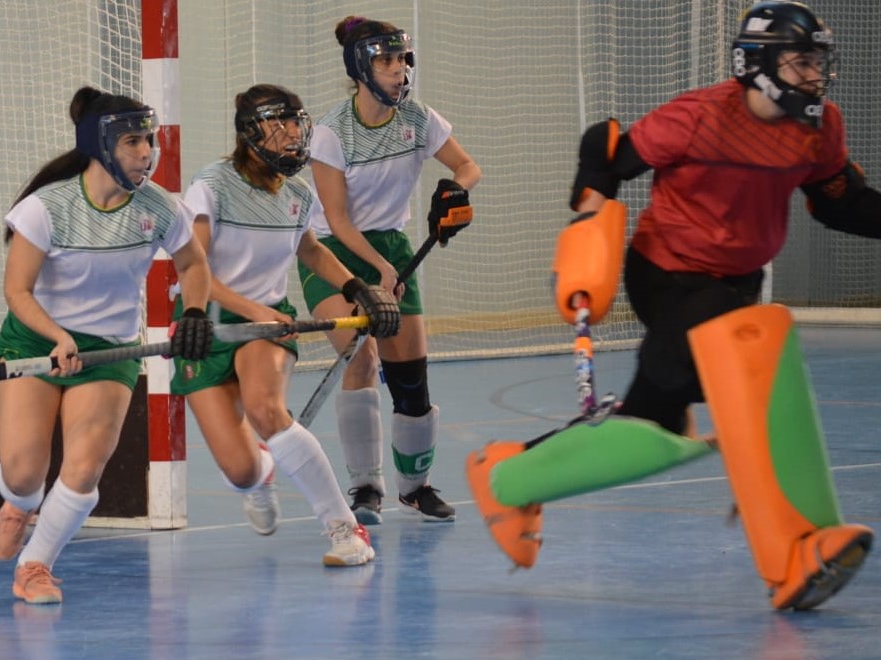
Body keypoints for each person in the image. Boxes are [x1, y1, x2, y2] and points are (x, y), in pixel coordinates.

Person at [467, 1, 877, 611]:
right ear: (759, 63)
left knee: (651, 426)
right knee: (758, 384)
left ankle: (509, 475)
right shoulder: (699, 116)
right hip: (667, 278)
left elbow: (841, 202)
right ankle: (796, 549)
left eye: (819, 62)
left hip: (736, 283)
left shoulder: (819, 128)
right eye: (802, 62)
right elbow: (608, 151)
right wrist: (589, 216)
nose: (816, 75)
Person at [0, 86, 214, 604]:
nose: (147, 152)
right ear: (101, 144)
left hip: (109, 350)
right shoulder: (46, 208)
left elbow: (193, 263)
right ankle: (17, 503)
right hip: (35, 339)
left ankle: (35, 565)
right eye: (134, 141)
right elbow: (17, 291)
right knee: (24, 473)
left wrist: (195, 311)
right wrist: (57, 336)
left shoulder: (159, 207)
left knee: (86, 466)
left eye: (149, 140)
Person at [170, 84, 401, 566]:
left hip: (268, 324)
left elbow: (311, 249)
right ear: (252, 132)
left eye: (299, 123)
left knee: (266, 410)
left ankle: (344, 530)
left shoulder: (296, 191)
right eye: (283, 124)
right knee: (239, 470)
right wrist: (250, 310)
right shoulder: (212, 185)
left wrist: (358, 288)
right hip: (206, 323)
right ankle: (263, 471)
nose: (295, 134)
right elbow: (195, 268)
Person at [298, 16, 482, 525]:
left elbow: (467, 166)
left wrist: (455, 190)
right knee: (361, 360)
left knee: (411, 378)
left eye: (403, 60)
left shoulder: (419, 119)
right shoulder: (332, 133)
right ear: (360, 67)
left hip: (393, 247)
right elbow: (336, 219)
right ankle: (365, 489)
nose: (399, 71)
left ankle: (415, 487)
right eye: (386, 61)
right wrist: (380, 269)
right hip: (334, 252)